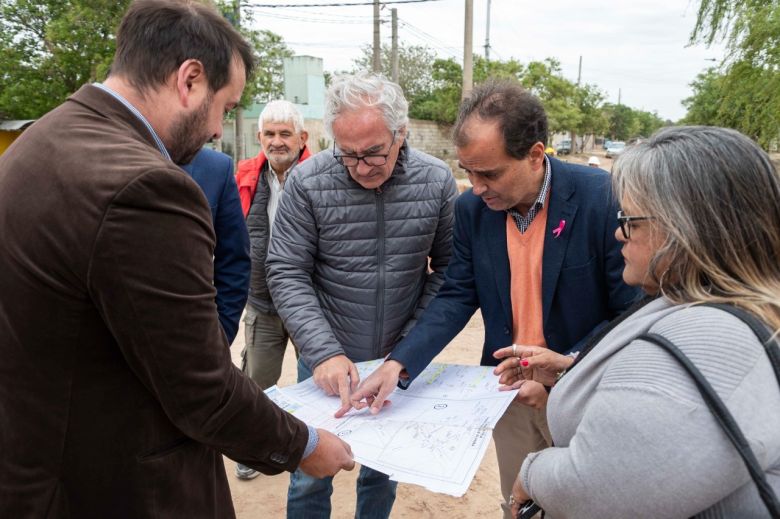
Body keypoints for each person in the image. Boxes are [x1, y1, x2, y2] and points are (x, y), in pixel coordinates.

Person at [0, 1, 354, 517]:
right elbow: (201, 388)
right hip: (113, 483)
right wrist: (303, 446)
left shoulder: (42, 139)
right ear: (189, 80)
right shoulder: (146, 186)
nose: (217, 130)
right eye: (226, 107)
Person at [349, 80, 639, 518]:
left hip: (584, 393)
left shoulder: (600, 197)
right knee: (520, 504)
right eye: (468, 171)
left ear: (536, 155)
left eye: (490, 173)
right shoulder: (471, 212)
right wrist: (398, 364)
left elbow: (631, 311)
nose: (477, 186)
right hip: (511, 395)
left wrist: (571, 363)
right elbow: (455, 295)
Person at [503, 126, 780, 519]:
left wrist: (531, 476)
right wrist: (571, 370)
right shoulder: (715, 308)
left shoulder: (709, 339)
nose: (618, 233)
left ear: (684, 228)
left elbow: (600, 484)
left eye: (629, 219)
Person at [265, 72, 458, 519]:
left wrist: (406, 351)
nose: (361, 166)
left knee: (381, 469)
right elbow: (286, 270)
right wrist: (324, 352)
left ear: (401, 132)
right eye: (347, 155)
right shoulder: (309, 181)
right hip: (325, 359)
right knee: (311, 474)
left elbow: (449, 273)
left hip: (395, 356)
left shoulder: (436, 181)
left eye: (374, 152)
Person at [232, 100, 311, 480]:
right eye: (269, 134)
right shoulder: (244, 175)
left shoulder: (321, 174)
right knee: (258, 382)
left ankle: (313, 450)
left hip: (312, 303)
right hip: (262, 301)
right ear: (258, 136)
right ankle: (254, 451)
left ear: (302, 137)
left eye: (285, 133)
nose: (277, 142)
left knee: (315, 384)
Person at [182, 147, 250, 344]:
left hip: (195, 336)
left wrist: (221, 333)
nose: (218, 131)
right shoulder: (110, 154)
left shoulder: (216, 168)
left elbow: (234, 259)